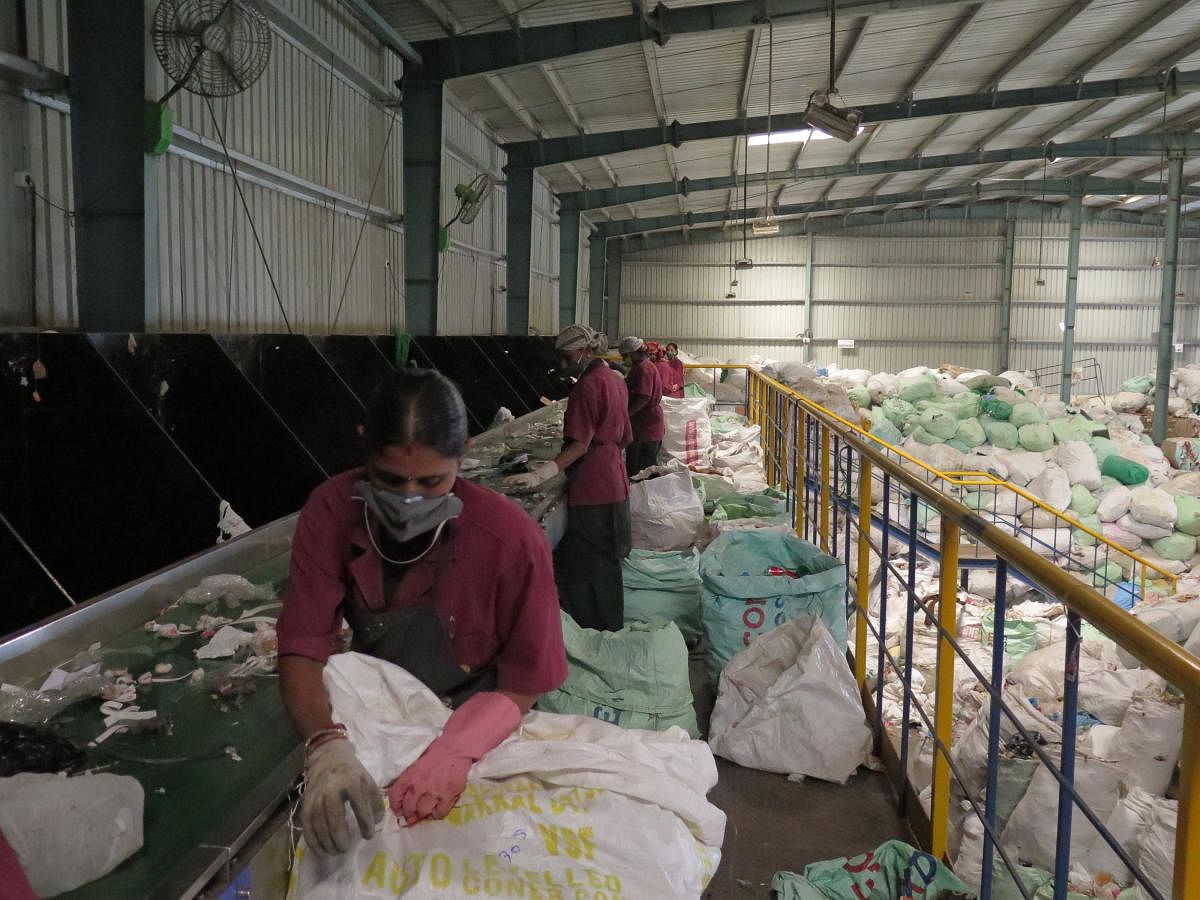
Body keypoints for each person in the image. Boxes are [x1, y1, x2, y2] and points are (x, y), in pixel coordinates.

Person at [277, 369, 568, 855]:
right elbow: (303, 648)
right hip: (385, 716)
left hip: (485, 720)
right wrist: (326, 746)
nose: (409, 499)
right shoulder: (331, 511)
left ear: (464, 453)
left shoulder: (510, 538)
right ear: (364, 447)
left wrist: (455, 752)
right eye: (389, 479)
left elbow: (525, 680)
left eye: (432, 481)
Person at [505, 324, 632, 632]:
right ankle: (611, 629)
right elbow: (627, 435)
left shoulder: (587, 387)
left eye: (565, 356)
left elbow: (579, 444)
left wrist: (541, 474)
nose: (562, 363)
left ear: (581, 351)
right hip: (615, 480)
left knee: (582, 565)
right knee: (608, 562)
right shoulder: (615, 380)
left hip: (594, 488)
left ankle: (589, 632)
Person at [618, 335, 664, 478]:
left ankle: (644, 497)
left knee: (643, 469)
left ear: (633, 353)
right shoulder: (639, 367)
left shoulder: (645, 369)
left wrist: (626, 414)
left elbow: (644, 397)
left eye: (625, 356)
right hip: (642, 423)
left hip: (646, 425)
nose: (624, 359)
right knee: (636, 465)